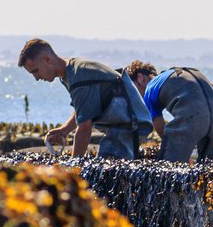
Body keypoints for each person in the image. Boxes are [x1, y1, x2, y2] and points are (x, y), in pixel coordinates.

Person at [17, 38, 150, 158]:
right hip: (123, 123)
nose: (36, 78)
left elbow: (85, 128)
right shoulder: (71, 71)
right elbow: (83, 108)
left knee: (107, 169)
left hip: (130, 123)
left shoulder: (79, 78)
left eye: (35, 71)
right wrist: (64, 130)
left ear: (48, 60)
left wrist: (74, 168)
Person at [123, 62, 213, 163]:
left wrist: (180, 154)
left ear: (140, 78)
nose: (136, 96)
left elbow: (160, 127)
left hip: (191, 118)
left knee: (168, 170)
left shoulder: (150, 88)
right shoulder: (188, 76)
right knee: (208, 174)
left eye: (133, 90)